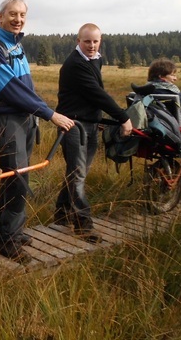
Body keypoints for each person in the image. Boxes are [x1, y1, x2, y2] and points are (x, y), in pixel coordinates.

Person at [0, 0, 75, 262]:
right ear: (0, 17)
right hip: (8, 122)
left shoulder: (16, 46)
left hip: (25, 120)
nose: (18, 19)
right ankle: (7, 242)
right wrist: (49, 113)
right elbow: (11, 89)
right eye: (12, 14)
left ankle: (8, 230)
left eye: (22, 15)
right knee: (16, 178)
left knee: (19, 177)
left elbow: (26, 88)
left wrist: (38, 112)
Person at [55, 24, 132, 243]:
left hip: (88, 123)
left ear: (100, 41)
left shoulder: (95, 59)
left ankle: (61, 214)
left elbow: (92, 95)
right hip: (73, 126)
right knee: (78, 175)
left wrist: (96, 118)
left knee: (77, 174)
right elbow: (97, 94)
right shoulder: (75, 65)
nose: (91, 45)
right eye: (87, 41)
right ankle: (83, 226)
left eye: (95, 41)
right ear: (78, 41)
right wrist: (123, 117)